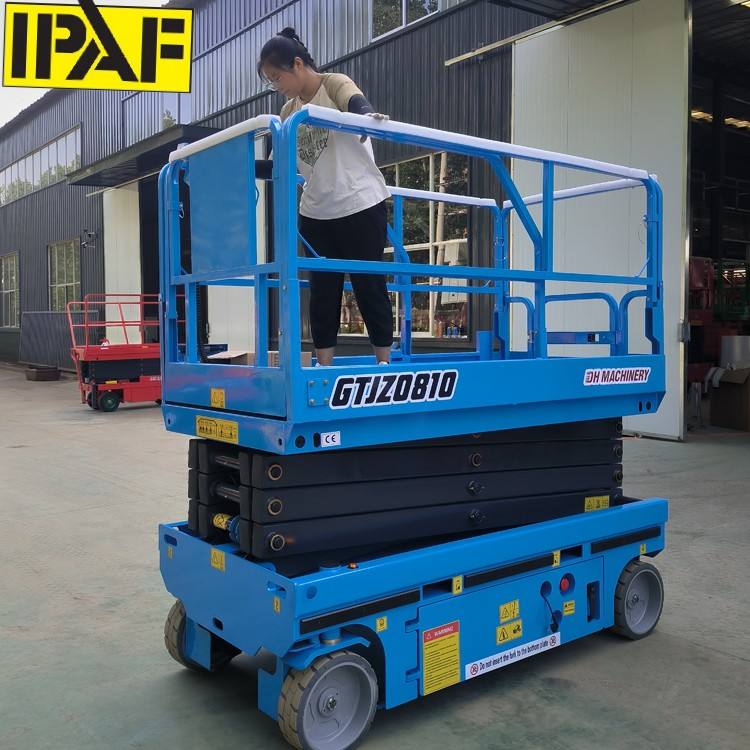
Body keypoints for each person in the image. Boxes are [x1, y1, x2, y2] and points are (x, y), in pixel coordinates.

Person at [257, 27, 394, 366]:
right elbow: (275, 166)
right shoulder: (288, 113)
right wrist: (231, 165)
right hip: (316, 213)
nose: (277, 86)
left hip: (359, 203)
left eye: (277, 78)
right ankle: (324, 366)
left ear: (297, 64)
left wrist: (367, 118)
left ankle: (384, 363)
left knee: (369, 286)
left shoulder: (333, 84)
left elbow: (355, 102)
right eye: (271, 82)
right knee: (322, 293)